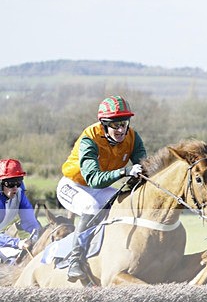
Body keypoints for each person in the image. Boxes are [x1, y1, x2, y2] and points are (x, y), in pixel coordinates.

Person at [59, 95, 147, 281]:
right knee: (91, 206)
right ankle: (75, 259)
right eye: (115, 125)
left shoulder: (132, 136)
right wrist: (125, 172)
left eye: (124, 123)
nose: (121, 129)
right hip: (73, 185)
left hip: (99, 186)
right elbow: (93, 179)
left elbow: (145, 166)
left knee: (124, 202)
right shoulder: (89, 138)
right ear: (104, 124)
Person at [0, 159, 41, 260]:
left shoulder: (19, 193)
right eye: (10, 183)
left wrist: (39, 236)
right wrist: (17, 243)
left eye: (18, 182)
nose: (15, 188)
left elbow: (30, 223)